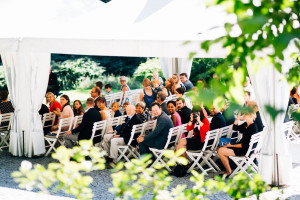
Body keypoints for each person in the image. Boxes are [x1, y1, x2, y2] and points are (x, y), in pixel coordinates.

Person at [217, 110, 258, 176]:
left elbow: (244, 145)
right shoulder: (246, 124)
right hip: (242, 146)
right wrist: (237, 118)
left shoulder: (252, 128)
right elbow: (235, 127)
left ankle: (228, 171)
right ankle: (226, 166)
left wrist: (231, 145)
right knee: (221, 142)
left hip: (243, 150)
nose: (244, 115)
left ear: (251, 116)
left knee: (220, 150)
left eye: (246, 114)